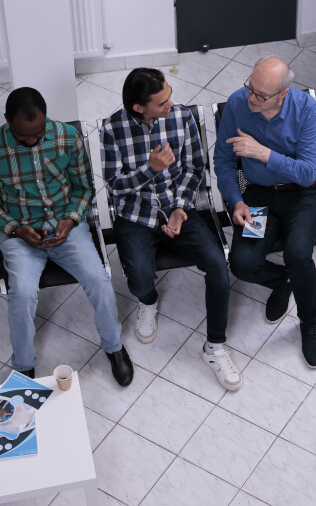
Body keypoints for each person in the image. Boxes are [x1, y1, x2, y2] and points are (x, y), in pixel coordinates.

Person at [0, 87, 133, 386]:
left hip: (65, 225)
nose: (33, 141)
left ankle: (114, 347)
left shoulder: (67, 137)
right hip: (20, 232)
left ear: (47, 118)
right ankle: (23, 364)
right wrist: (14, 229)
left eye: (39, 133)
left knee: (99, 279)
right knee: (21, 292)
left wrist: (71, 220)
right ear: (7, 120)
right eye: (24, 137)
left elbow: (84, 188)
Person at [101, 68, 242, 391]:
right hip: (136, 214)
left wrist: (180, 207)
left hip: (178, 207)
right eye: (162, 102)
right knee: (137, 276)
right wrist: (149, 169)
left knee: (219, 265)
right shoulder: (113, 130)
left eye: (170, 95)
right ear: (139, 107)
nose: (171, 104)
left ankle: (215, 347)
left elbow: (195, 168)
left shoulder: (181, 117)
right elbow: (114, 188)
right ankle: (148, 302)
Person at [214, 56, 316, 368]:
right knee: (242, 262)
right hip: (259, 197)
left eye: (261, 95)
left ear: (283, 95)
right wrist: (236, 200)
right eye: (251, 88)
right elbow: (223, 161)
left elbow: (308, 172)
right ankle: (283, 281)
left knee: (299, 253)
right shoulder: (238, 103)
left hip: (303, 194)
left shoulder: (305, 108)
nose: (252, 98)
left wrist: (263, 154)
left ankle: (308, 321)